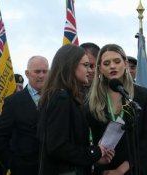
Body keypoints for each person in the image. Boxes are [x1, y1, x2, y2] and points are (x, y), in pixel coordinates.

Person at [37, 44, 114, 175]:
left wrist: (94, 158)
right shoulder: (61, 98)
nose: (90, 71)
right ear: (70, 66)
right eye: (85, 65)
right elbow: (58, 147)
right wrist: (96, 151)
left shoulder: (64, 97)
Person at [87, 43, 147, 174]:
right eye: (106, 63)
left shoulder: (143, 95)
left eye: (117, 61)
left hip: (134, 170)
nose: (112, 66)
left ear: (125, 63)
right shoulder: (91, 100)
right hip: (103, 171)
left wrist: (121, 170)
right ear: (100, 68)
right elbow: (84, 141)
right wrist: (96, 158)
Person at [0, 56, 49, 175]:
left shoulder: (56, 99)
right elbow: (0, 138)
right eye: (37, 71)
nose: (42, 75)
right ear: (27, 74)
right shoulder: (13, 102)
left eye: (45, 71)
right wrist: (12, 164)